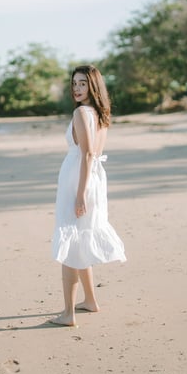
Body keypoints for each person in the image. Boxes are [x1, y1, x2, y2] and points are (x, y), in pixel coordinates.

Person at [50, 65, 126, 326]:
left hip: (79, 180)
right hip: (91, 177)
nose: (77, 89)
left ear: (93, 86)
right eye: (74, 84)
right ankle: (91, 301)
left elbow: (86, 154)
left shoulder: (82, 113)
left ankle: (68, 313)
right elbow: (91, 155)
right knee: (80, 235)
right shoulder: (99, 113)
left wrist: (80, 194)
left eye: (83, 83)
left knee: (70, 241)